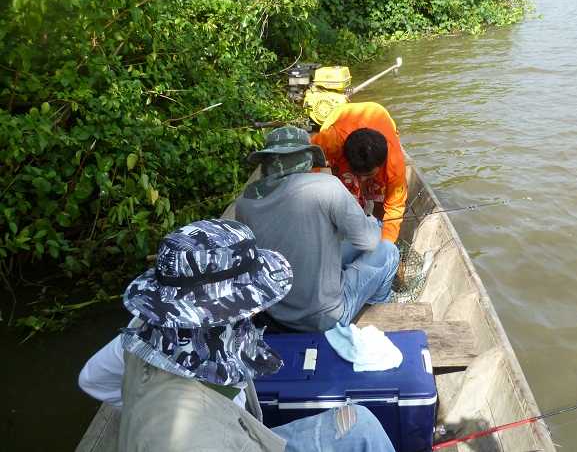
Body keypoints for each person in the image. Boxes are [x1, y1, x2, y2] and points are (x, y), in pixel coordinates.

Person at [79, 218, 396, 452]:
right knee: (363, 427)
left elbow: (92, 378)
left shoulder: (146, 329)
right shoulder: (199, 440)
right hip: (224, 438)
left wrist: (147, 415)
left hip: (235, 430)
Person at [234, 126, 399, 333]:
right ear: (306, 157)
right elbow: (369, 241)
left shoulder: (244, 203)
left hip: (277, 314)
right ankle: (373, 314)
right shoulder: (327, 186)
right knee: (388, 251)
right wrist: (372, 222)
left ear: (268, 161)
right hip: (325, 318)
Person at [310, 101, 407, 243]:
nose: (361, 179)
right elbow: (309, 159)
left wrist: (386, 243)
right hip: (343, 117)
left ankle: (375, 229)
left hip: (378, 114)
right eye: (356, 172)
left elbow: (395, 207)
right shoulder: (332, 140)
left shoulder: (395, 165)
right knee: (349, 196)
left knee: (379, 197)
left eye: (368, 175)